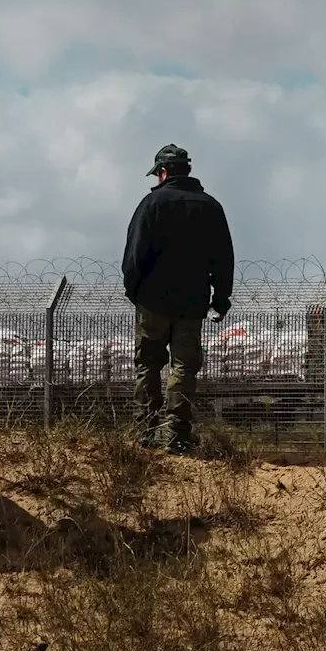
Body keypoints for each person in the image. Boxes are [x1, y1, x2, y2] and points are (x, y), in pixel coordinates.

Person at [122, 144, 234, 455]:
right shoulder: (210, 207)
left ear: (163, 172)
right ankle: (178, 437)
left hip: (152, 303)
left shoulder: (150, 204)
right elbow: (224, 258)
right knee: (183, 366)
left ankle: (145, 434)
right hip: (191, 303)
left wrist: (134, 292)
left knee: (147, 365)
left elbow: (134, 256)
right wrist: (220, 298)